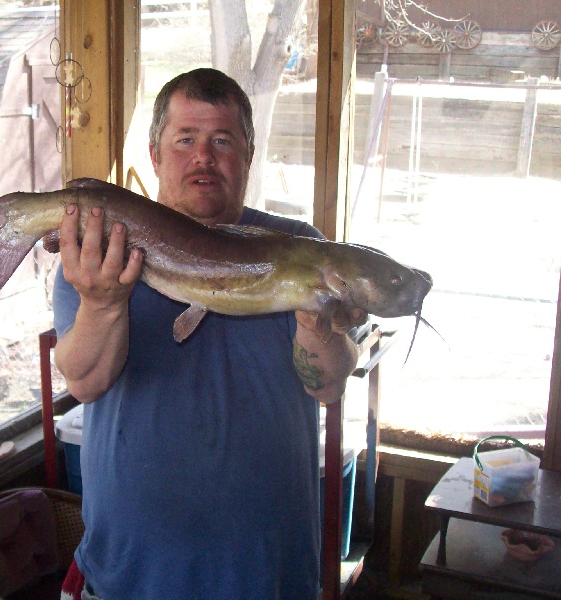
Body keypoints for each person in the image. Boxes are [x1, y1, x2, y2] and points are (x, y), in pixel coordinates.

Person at [53, 68, 363, 600]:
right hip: (133, 574)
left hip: (270, 571)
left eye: (222, 141)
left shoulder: (300, 248)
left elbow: (328, 385)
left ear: (248, 154)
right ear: (154, 154)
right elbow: (84, 383)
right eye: (185, 140)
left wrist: (316, 323)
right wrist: (102, 304)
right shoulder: (99, 252)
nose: (204, 157)